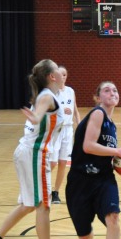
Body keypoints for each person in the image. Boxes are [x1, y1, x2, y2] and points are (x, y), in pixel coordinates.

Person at [0, 59, 69, 239]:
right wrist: (35, 117)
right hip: (34, 154)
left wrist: (37, 117)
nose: (62, 72)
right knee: (43, 205)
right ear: (52, 76)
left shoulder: (48, 95)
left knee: (30, 205)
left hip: (30, 153)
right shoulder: (47, 96)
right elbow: (39, 114)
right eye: (57, 69)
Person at [66, 81, 121, 239]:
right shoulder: (98, 114)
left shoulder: (112, 125)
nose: (112, 92)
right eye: (106, 90)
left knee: (113, 218)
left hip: (104, 179)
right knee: (85, 234)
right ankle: (86, 238)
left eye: (115, 90)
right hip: (80, 181)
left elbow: (104, 152)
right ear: (98, 98)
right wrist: (117, 152)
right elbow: (88, 146)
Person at [50, 65, 79, 205]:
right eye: (60, 74)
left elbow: (75, 110)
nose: (62, 76)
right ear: (54, 76)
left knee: (63, 162)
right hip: (56, 130)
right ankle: (40, 186)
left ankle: (55, 192)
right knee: (52, 162)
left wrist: (80, 126)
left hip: (68, 130)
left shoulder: (70, 91)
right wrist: (61, 110)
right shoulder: (52, 92)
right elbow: (47, 111)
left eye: (65, 74)